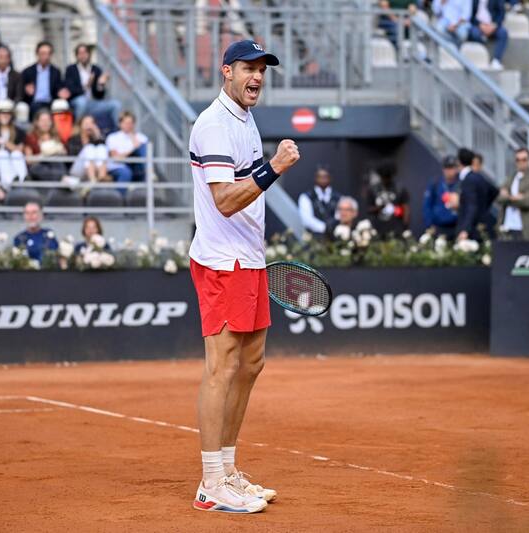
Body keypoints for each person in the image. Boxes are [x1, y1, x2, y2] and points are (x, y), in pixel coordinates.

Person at [188, 39, 299, 514]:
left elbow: (243, 189)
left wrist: (265, 167)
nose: (256, 77)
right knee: (223, 366)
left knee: (252, 365)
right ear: (226, 72)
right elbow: (225, 200)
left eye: (262, 70)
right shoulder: (213, 125)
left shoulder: (244, 119)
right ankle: (211, 481)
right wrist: (274, 167)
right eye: (248, 69)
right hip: (221, 261)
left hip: (249, 258)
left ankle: (229, 470)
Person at [64, 43, 121, 129]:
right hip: (77, 103)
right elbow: (70, 91)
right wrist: (86, 86)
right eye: (80, 53)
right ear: (76, 56)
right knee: (82, 101)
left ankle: (118, 132)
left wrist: (100, 84)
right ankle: (76, 129)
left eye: (85, 53)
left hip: (92, 103)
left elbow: (100, 95)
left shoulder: (96, 69)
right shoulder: (71, 69)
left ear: (89, 54)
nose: (83, 56)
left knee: (115, 104)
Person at [496, 148, 529, 240]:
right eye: (518, 160)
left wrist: (508, 197)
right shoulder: (511, 178)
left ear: (528, 160)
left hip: (525, 227)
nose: (520, 162)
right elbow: (499, 197)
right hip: (507, 225)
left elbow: (527, 202)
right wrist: (515, 197)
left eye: (524, 160)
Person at [455, 147, 497, 241]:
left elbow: (471, 206)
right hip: (479, 225)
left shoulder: (468, 180)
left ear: (459, 162)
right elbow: (494, 191)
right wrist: (483, 208)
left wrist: (465, 230)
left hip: (471, 230)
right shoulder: (478, 177)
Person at [21, 41, 70, 118]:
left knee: (61, 106)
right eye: (43, 53)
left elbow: (58, 87)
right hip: (34, 102)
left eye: (48, 54)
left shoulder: (55, 71)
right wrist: (26, 90)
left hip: (50, 102)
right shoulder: (28, 71)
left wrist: (61, 92)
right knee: (35, 107)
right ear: (37, 54)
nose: (46, 56)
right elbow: (21, 91)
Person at [367, 161, 410, 236]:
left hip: (396, 228)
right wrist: (379, 207)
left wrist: (405, 226)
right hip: (378, 228)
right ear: (380, 175)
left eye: (388, 176)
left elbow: (405, 208)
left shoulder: (399, 189)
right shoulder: (373, 189)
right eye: (383, 176)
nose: (385, 179)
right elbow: (368, 209)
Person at [24, 109, 68, 181]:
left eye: (48, 120)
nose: (45, 123)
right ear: (37, 122)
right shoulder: (31, 137)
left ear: (51, 122)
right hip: (40, 167)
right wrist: (43, 155)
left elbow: (65, 153)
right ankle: (62, 179)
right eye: (42, 121)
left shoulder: (56, 136)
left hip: (56, 165)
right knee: (36, 168)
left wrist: (58, 149)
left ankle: (63, 179)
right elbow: (29, 160)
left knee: (56, 159)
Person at [422, 154, 460, 238]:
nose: (449, 171)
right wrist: (429, 225)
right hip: (439, 226)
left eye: (452, 168)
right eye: (447, 168)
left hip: (456, 226)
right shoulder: (435, 183)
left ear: (456, 169)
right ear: (443, 169)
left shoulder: (460, 183)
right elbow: (427, 205)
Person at [297, 166, 341, 235]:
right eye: (320, 176)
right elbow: (307, 220)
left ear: (330, 178)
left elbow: (340, 216)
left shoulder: (338, 197)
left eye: (325, 176)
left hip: (335, 235)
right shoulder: (306, 197)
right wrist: (325, 228)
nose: (323, 179)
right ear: (315, 178)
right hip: (315, 238)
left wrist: (332, 227)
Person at [106, 111, 148, 183]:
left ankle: (149, 172)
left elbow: (144, 154)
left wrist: (133, 137)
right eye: (126, 123)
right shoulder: (113, 137)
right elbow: (116, 158)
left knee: (142, 147)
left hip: (138, 166)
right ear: (120, 124)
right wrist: (132, 150)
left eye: (131, 123)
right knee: (125, 172)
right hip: (120, 165)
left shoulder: (141, 137)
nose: (129, 125)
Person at [468, 0, 509, 71]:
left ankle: (496, 60)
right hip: (478, 25)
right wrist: (480, 25)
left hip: (492, 25)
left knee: (503, 33)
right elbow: (470, 15)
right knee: (474, 33)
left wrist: (494, 25)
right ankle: (481, 55)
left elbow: (501, 14)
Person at [68, 114, 110, 183]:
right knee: (89, 148)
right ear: (81, 125)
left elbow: (105, 150)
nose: (89, 126)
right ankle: (93, 180)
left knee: (101, 147)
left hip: (96, 168)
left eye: (91, 123)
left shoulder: (95, 140)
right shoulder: (74, 139)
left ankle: (101, 177)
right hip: (77, 169)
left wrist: (97, 134)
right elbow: (72, 157)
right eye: (86, 123)